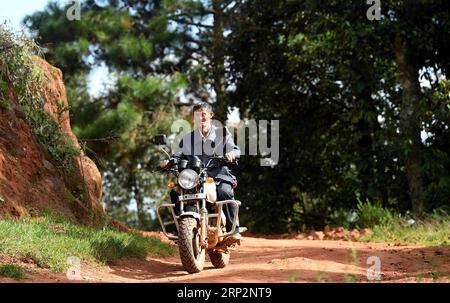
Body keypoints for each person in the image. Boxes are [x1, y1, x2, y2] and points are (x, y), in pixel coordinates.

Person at [161, 102, 242, 242]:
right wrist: (168, 162)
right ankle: (181, 230)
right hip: (194, 179)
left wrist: (231, 154)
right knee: (175, 192)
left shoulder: (222, 134)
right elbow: (177, 156)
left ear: (211, 115)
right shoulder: (187, 139)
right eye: (197, 115)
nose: (201, 119)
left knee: (225, 192)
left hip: (218, 175)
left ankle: (233, 230)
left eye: (203, 115)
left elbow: (235, 149)